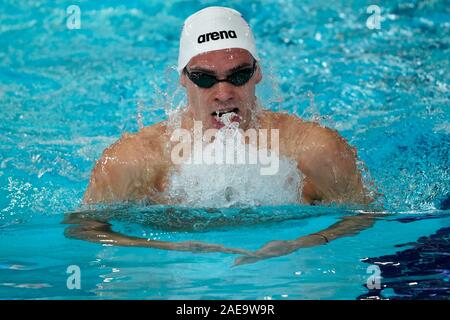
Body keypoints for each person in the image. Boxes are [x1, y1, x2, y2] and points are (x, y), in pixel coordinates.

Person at [66, 7, 376, 265]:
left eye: (239, 75)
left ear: (257, 73)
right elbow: (83, 228)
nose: (224, 93)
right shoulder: (136, 159)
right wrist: (170, 248)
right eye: (205, 79)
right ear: (184, 79)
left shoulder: (313, 150)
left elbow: (367, 215)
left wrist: (301, 244)